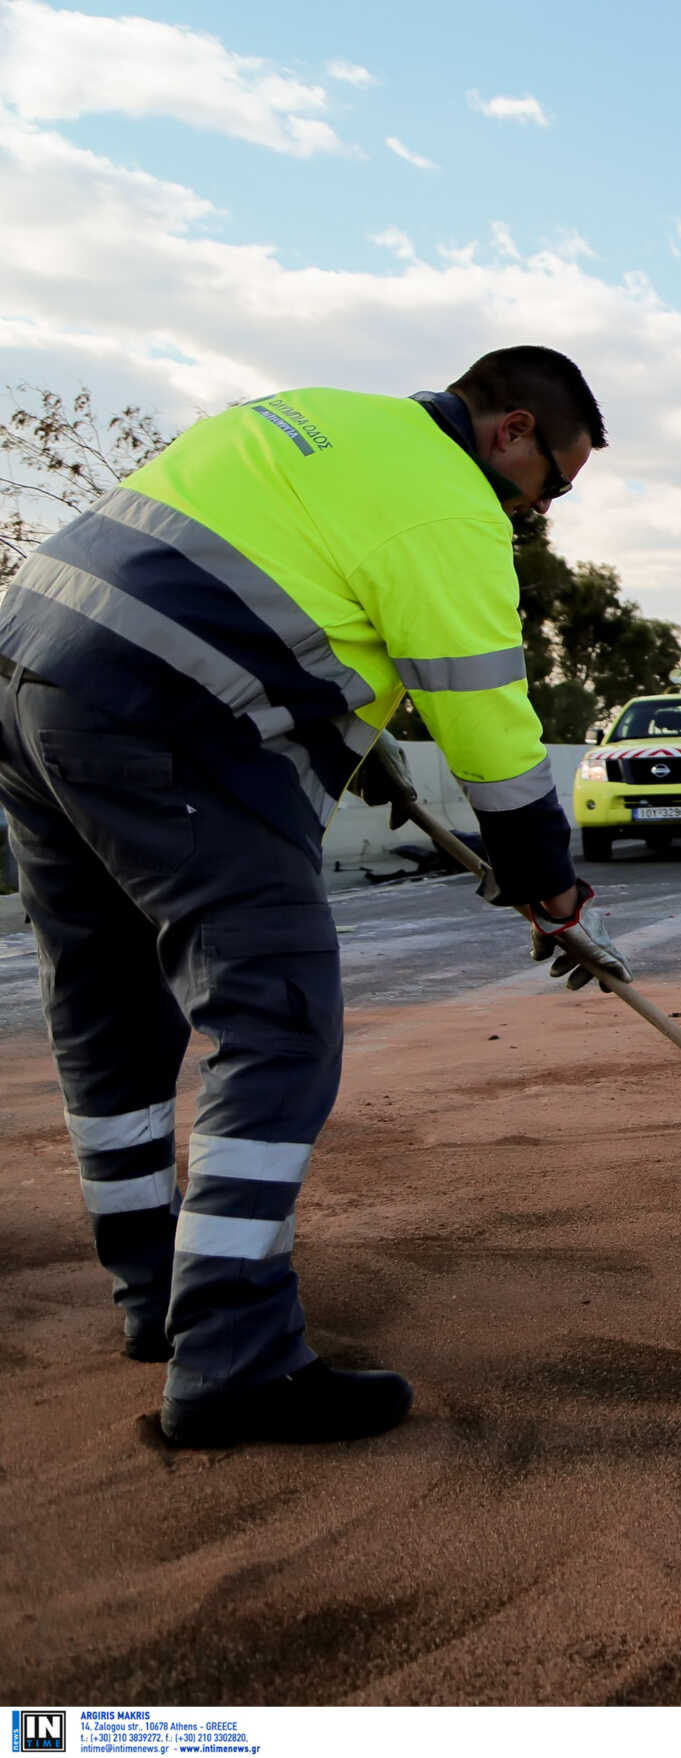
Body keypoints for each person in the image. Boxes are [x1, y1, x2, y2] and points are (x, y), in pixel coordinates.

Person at [0, 346, 630, 1448]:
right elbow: (490, 731)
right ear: (513, 431)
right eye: (552, 489)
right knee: (278, 1014)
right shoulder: (451, 507)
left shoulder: (310, 416)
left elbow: (286, 591)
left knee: (107, 1014)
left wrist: (359, 738)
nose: (541, 516)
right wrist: (550, 886)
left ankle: (157, 1304)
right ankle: (235, 1365)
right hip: (168, 712)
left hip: (32, 681)